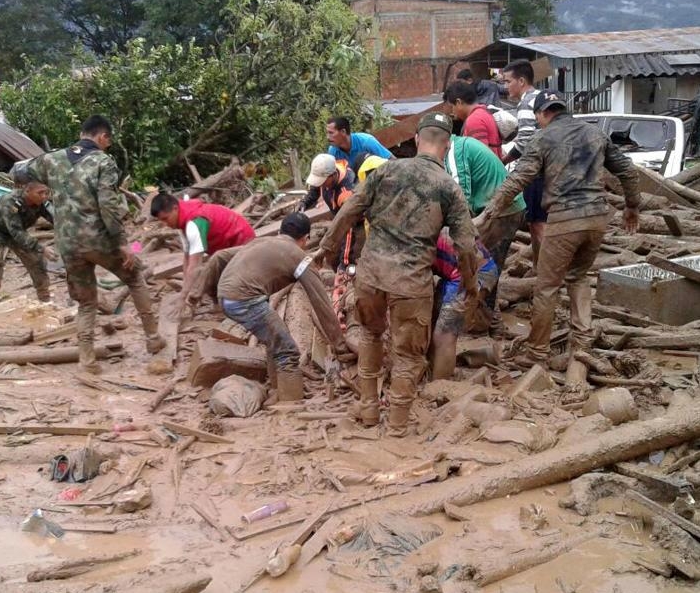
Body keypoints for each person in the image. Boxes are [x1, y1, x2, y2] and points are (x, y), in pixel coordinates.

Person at [318, 112, 478, 436]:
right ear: (447, 146)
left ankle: (368, 411)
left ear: (417, 140)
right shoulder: (448, 188)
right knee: (407, 355)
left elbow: (349, 210)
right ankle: (398, 427)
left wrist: (326, 247)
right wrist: (471, 284)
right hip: (411, 283)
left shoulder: (385, 170)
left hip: (371, 276)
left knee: (371, 336)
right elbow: (466, 245)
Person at [481, 90, 641, 369]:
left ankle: (537, 353)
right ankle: (581, 344)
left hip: (566, 219)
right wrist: (632, 206)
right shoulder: (595, 134)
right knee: (578, 278)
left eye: (538, 117)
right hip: (596, 219)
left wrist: (489, 212)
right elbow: (627, 170)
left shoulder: (543, 137)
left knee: (546, 287)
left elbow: (519, 178)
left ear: (543, 114)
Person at [23, 114, 165, 374]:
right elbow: (108, 206)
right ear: (102, 137)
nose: (107, 146)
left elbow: (21, 171)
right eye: (108, 142)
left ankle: (87, 360)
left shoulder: (52, 159)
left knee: (87, 303)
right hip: (98, 239)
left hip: (67, 242)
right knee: (134, 277)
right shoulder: (104, 162)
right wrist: (123, 243)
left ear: (81, 133)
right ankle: (153, 340)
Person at [188, 213, 347, 401]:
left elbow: (219, 257)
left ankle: (277, 391)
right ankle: (290, 406)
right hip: (246, 301)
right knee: (288, 351)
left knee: (276, 339)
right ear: (305, 239)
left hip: (227, 298)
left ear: (281, 231)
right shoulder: (300, 258)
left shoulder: (260, 242)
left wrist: (200, 293)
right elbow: (321, 304)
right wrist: (339, 344)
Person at [446, 134, 525, 334]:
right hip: (503, 208)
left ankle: (487, 324)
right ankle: (491, 320)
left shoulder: (455, 151)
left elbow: (461, 196)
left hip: (501, 211)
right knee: (488, 265)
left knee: (485, 267)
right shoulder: (463, 145)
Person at [150, 192, 255, 315]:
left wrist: (183, 297)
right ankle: (218, 306)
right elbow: (187, 259)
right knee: (212, 269)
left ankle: (242, 307)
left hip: (241, 239)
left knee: (215, 273)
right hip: (222, 244)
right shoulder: (183, 223)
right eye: (161, 221)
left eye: (165, 219)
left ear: (175, 209)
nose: (165, 224)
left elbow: (195, 266)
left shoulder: (194, 223)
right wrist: (185, 288)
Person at [430, 231, 499, 379]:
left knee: (444, 334)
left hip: (473, 273)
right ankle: (433, 371)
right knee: (433, 320)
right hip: (454, 270)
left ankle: (439, 386)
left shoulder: (407, 241)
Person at [0, 180, 56, 303]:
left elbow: (56, 220)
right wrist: (42, 248)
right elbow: (16, 232)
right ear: (27, 191)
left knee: (36, 260)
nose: (44, 196)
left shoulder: (43, 203)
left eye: (46, 193)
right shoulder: (10, 202)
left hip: (18, 231)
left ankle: (44, 297)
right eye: (40, 193)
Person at [501, 59, 546, 266]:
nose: (505, 86)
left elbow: (526, 140)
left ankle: (545, 270)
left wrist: (504, 160)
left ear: (521, 81)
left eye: (508, 81)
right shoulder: (542, 98)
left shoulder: (527, 102)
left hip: (537, 170)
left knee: (537, 223)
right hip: (554, 167)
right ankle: (540, 267)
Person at [444, 80, 504, 159]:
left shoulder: (474, 120)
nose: (453, 112)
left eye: (452, 107)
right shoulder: (483, 112)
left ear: (458, 102)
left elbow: (481, 158)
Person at [326, 116, 393, 169]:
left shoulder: (367, 142)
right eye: (327, 133)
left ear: (343, 132)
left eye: (331, 133)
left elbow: (392, 162)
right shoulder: (333, 151)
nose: (328, 137)